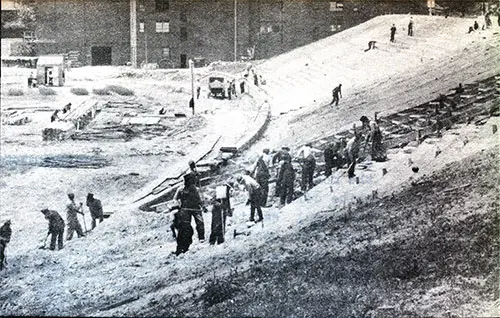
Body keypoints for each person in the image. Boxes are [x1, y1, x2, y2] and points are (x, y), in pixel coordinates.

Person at [174, 173, 206, 242]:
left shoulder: (194, 189)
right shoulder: (180, 189)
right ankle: (187, 240)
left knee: (200, 222)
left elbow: (199, 199)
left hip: (196, 208)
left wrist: (203, 206)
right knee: (186, 225)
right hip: (185, 209)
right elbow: (175, 199)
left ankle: (201, 237)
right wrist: (178, 204)